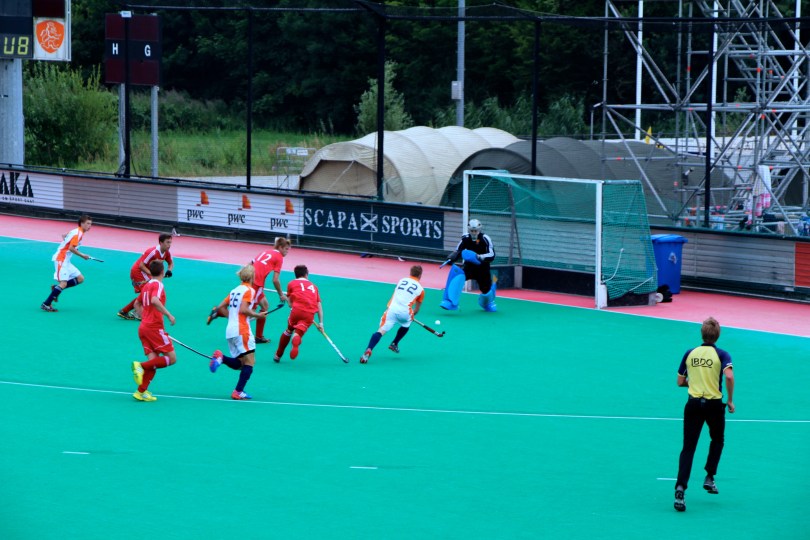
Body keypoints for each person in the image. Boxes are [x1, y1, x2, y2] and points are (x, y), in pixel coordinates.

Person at [673, 317, 735, 512]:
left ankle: (680, 488)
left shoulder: (690, 353)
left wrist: (694, 383)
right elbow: (729, 376)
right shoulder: (722, 354)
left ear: (702, 334)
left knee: (688, 447)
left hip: (693, 404)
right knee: (717, 439)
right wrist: (730, 400)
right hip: (714, 405)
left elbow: (680, 381)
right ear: (717, 335)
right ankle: (709, 476)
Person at [207, 237, 291, 344]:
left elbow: (250, 264)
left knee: (265, 306)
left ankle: (259, 337)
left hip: (251, 280)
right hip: (257, 283)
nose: (287, 252)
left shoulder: (265, 252)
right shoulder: (279, 257)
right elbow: (275, 280)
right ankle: (219, 312)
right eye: (286, 249)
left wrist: (244, 275)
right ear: (280, 247)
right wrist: (281, 294)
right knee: (248, 312)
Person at [209, 265, 267, 400]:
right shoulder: (250, 290)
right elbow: (244, 309)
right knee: (250, 362)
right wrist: (258, 315)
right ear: (252, 277)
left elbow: (220, 307)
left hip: (230, 330)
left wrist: (232, 317)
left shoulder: (235, 290)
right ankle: (238, 391)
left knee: (241, 363)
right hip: (242, 330)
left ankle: (221, 358)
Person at [130, 260, 177, 402]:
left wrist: (144, 317)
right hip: (154, 327)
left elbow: (136, 303)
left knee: (154, 361)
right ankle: (140, 366)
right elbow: (155, 300)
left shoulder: (147, 285)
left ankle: (141, 392)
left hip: (144, 327)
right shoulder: (158, 284)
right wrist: (169, 315)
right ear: (162, 272)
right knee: (172, 358)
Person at [360, 265, 424, 364]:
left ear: (410, 273)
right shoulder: (421, 290)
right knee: (406, 324)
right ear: (420, 275)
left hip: (392, 310)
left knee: (380, 331)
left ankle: (369, 349)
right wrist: (411, 316)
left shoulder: (402, 281)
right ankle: (394, 343)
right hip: (405, 313)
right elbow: (416, 310)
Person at [439, 218, 497, 312]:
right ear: (469, 230)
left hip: (482, 268)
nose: (474, 233)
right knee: (457, 278)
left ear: (479, 230)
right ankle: (450, 302)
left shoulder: (485, 238)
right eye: (472, 231)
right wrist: (451, 258)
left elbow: (492, 254)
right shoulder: (465, 238)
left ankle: (487, 303)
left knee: (486, 289)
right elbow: (458, 250)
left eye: (476, 231)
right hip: (469, 267)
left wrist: (479, 257)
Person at [41, 214, 93, 312]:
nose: (89, 226)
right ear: (81, 223)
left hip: (66, 260)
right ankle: (46, 304)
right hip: (61, 259)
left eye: (90, 224)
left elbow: (64, 235)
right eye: (87, 223)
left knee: (80, 278)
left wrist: (66, 244)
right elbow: (71, 248)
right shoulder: (78, 234)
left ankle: (56, 289)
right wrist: (83, 255)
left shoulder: (76, 231)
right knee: (63, 283)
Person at [117, 233, 174, 320]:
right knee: (148, 292)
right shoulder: (152, 252)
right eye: (167, 242)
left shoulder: (167, 253)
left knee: (147, 293)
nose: (169, 245)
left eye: (170, 242)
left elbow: (170, 263)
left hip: (147, 273)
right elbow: (141, 266)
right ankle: (134, 311)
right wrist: (154, 275)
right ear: (160, 243)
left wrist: (169, 270)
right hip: (138, 271)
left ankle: (126, 311)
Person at [273, 265, 323, 363]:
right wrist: (321, 323)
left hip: (296, 311)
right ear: (306, 274)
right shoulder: (314, 287)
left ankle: (278, 355)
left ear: (295, 275)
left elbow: (290, 304)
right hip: (309, 314)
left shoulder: (291, 283)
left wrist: (285, 298)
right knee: (298, 334)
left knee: (289, 330)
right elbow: (319, 306)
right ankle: (296, 338)